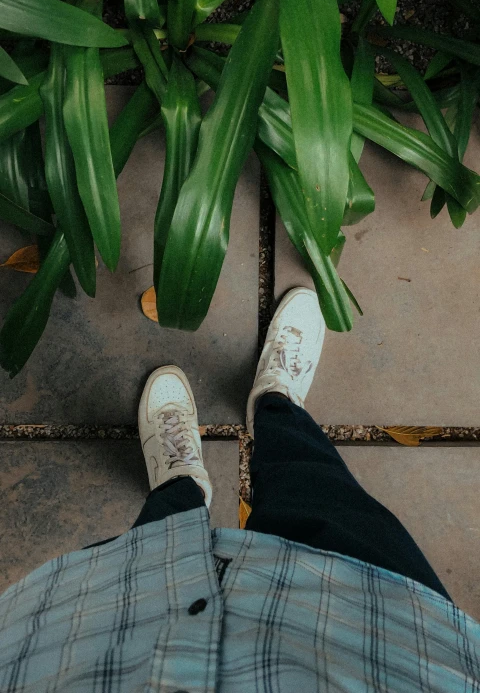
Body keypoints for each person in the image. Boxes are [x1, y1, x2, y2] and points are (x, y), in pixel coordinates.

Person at [1, 286, 479, 692]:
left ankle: (182, 483)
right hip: (386, 645)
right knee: (324, 502)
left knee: (153, 549)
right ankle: (275, 406)